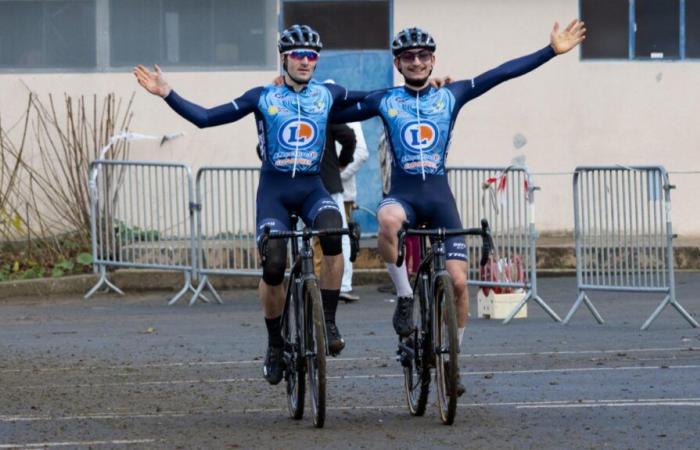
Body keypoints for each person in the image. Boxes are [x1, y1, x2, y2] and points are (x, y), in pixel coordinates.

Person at [331, 20, 586, 394]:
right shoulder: (385, 99)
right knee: (387, 220)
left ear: (432, 60)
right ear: (398, 64)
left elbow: (501, 74)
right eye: (408, 57)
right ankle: (404, 296)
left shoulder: (451, 94)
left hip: (439, 199)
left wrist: (549, 51)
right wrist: (290, 92)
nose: (416, 62)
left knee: (460, 283)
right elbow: (331, 106)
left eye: (422, 56)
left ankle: (453, 364)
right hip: (403, 197)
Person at [133, 24, 366, 385]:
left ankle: (329, 321)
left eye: (312, 55)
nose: (305, 61)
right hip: (274, 192)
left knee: (334, 233)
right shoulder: (263, 97)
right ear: (284, 58)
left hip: (312, 189)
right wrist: (168, 94)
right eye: (298, 55)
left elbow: (376, 102)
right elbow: (207, 118)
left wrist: (423, 93)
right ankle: (275, 344)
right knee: (274, 264)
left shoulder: (328, 94)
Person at [312, 122, 357, 282]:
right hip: (328, 181)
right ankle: (341, 283)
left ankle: (306, 279)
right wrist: (342, 162)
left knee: (301, 237)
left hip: (299, 182)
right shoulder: (324, 108)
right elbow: (349, 136)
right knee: (338, 235)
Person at [338, 120, 368, 302]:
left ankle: (343, 284)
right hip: (317, 186)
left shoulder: (349, 117)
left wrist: (337, 174)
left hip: (342, 190)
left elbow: (361, 153)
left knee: (341, 238)